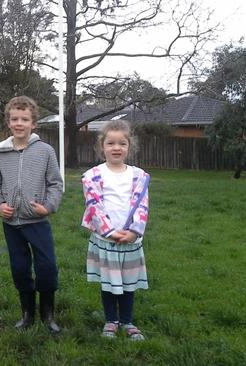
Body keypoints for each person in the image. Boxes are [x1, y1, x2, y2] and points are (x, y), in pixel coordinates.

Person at [0, 96, 64, 333]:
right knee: (20, 269)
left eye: (24, 119)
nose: (19, 123)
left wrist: (48, 206)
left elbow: (55, 184)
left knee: (47, 268)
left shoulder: (45, 151)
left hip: (37, 222)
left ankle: (48, 315)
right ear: (8, 122)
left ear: (34, 123)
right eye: (14, 119)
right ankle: (27, 314)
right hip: (12, 225)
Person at [81, 120, 150, 341]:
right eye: (111, 143)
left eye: (122, 143)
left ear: (130, 146)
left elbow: (142, 205)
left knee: (128, 283)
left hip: (130, 240)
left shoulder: (139, 176)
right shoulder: (92, 175)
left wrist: (133, 232)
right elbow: (94, 206)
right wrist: (109, 231)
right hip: (106, 239)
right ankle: (111, 320)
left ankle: (127, 321)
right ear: (102, 146)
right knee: (109, 283)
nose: (116, 148)